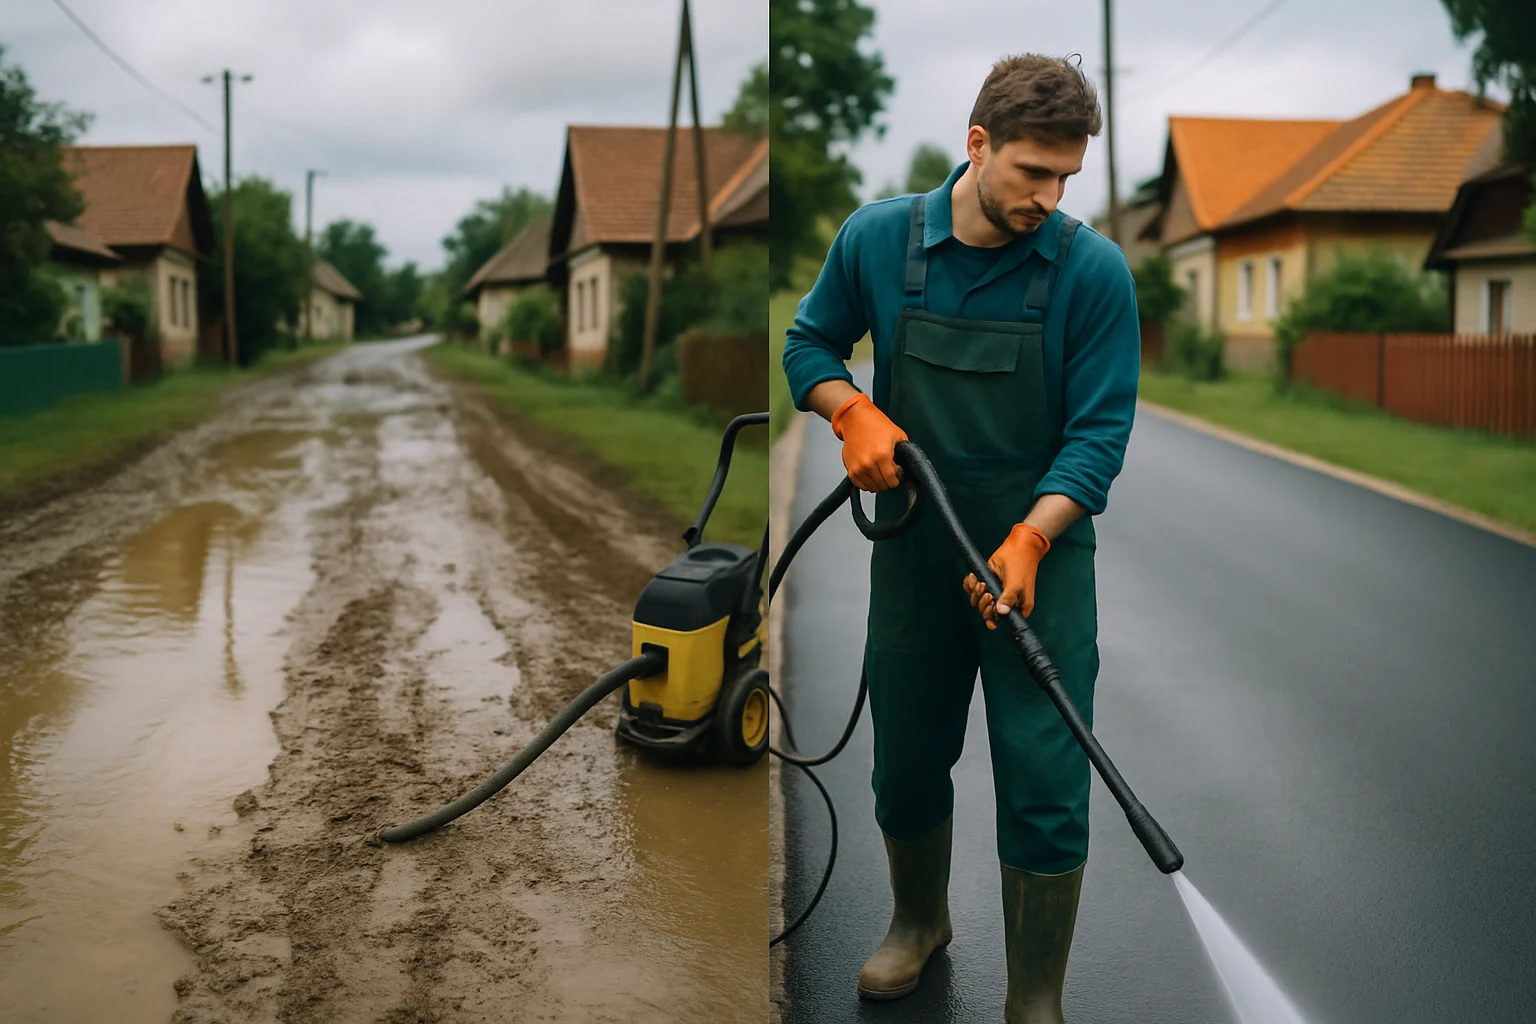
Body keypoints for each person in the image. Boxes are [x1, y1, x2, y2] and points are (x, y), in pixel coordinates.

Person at [780, 53, 1140, 1023]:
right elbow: (809, 344)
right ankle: (917, 921)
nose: (1049, 197)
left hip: (1039, 560)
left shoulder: (1091, 273)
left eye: (1066, 176)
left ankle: (1035, 994)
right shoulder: (877, 240)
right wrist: (850, 410)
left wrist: (1032, 539)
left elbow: (1098, 438)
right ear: (978, 145)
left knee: (1046, 777)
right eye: (1033, 171)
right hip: (916, 552)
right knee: (905, 755)